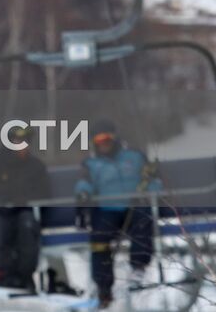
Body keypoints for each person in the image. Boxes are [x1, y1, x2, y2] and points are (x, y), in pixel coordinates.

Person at [74, 120, 162, 308]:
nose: (103, 143)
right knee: (99, 238)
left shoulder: (135, 156)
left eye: (107, 138)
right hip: (108, 210)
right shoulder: (91, 163)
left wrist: (149, 184)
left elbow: (154, 180)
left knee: (142, 220)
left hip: (134, 206)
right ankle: (104, 288)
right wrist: (83, 193)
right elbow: (84, 182)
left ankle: (138, 267)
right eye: (99, 139)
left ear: (114, 138)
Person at [0, 124, 51, 291]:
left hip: (24, 211)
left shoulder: (35, 166)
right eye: (18, 141)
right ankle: (5, 277)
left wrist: (24, 198)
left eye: (25, 141)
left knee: (27, 225)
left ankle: (25, 276)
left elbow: (44, 193)